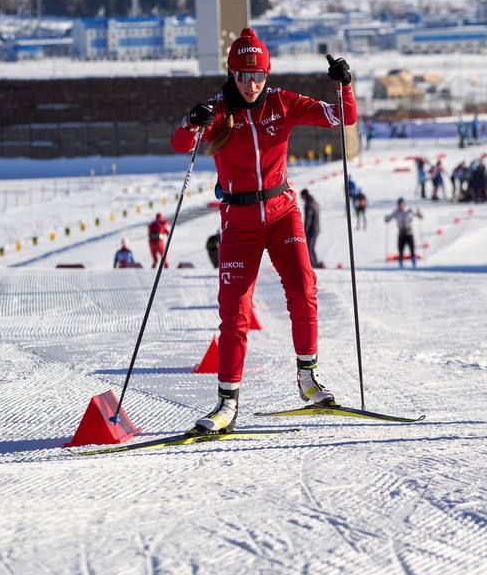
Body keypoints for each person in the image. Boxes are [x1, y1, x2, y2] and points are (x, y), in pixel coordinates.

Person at [172, 26, 356, 434]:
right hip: (239, 222)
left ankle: (308, 381)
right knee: (234, 313)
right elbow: (179, 143)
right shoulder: (219, 108)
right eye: (243, 75)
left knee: (302, 288)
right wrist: (192, 122)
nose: (252, 83)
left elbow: (344, 116)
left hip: (281, 212)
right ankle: (226, 405)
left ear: (267, 74)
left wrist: (345, 85)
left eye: (258, 75)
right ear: (232, 73)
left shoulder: (281, 103)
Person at [385, 198, 423, 267]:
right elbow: (389, 218)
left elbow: (419, 216)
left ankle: (414, 264)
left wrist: (419, 214)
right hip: (401, 234)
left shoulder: (409, 211)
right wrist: (387, 218)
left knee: (412, 250)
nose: (401, 206)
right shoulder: (396, 212)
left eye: (402, 204)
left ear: (404, 204)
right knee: (400, 250)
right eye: (399, 204)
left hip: (409, 234)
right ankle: (401, 265)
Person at [300, 189, 322, 268]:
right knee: (311, 247)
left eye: (301, 196)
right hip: (316, 228)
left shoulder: (309, 204)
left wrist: (305, 230)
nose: (301, 198)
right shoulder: (314, 202)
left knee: (309, 247)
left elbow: (308, 218)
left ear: (304, 195)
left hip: (312, 229)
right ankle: (314, 263)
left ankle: (313, 265)